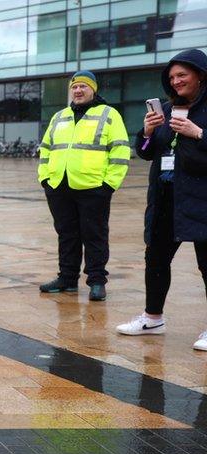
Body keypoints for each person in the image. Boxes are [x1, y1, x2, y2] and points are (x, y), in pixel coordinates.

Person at [116, 49, 207, 350]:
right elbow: (144, 151)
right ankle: (152, 317)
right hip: (166, 196)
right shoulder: (167, 110)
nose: (176, 81)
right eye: (172, 77)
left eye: (182, 75)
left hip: (201, 197)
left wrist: (199, 133)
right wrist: (147, 130)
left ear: (200, 75)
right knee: (155, 259)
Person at [38, 70, 130, 301]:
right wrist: (45, 179)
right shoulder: (59, 116)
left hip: (94, 187)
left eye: (83, 86)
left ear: (93, 89)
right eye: (75, 87)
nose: (78, 90)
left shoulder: (109, 115)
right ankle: (67, 278)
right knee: (66, 234)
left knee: (94, 235)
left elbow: (120, 150)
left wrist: (109, 184)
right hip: (59, 185)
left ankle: (97, 281)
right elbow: (46, 149)